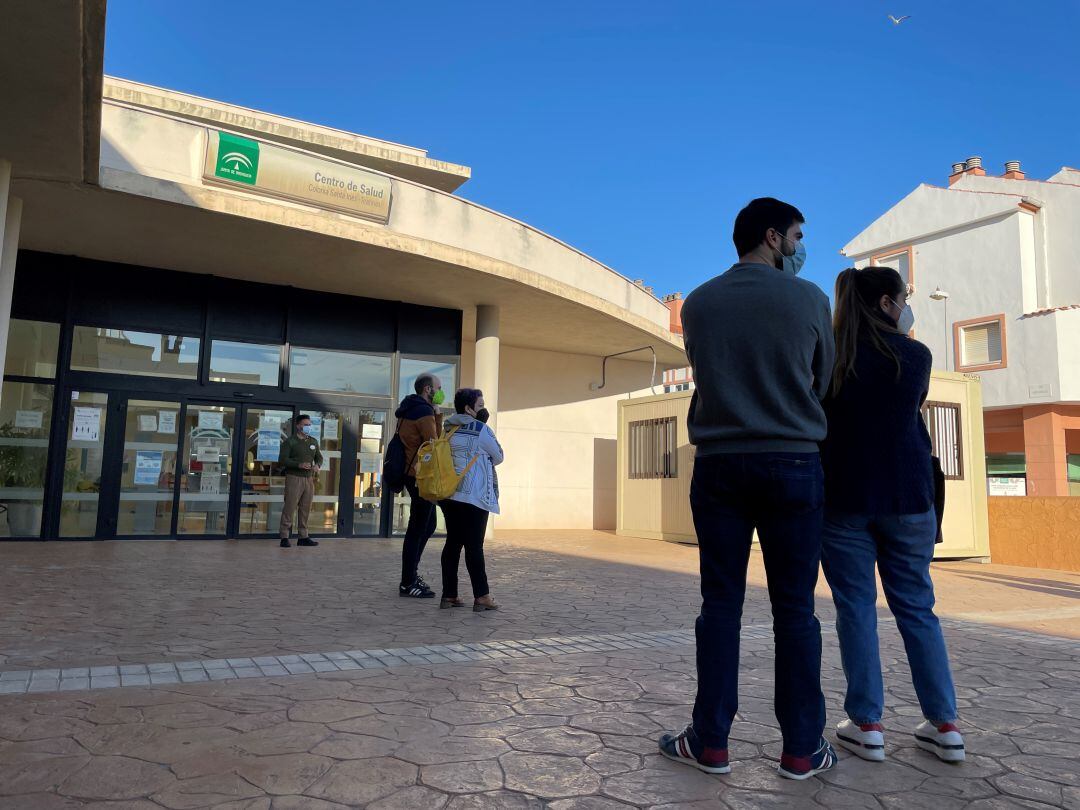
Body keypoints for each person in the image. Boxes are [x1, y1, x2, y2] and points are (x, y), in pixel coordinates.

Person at [659, 197, 837, 780]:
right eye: (798, 235)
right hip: (793, 462)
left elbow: (707, 371)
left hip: (719, 464)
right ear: (772, 237)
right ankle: (801, 749)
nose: (801, 246)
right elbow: (824, 381)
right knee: (795, 611)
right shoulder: (810, 299)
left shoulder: (701, 303)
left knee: (720, 605)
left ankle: (710, 742)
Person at [820, 266, 964, 763]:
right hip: (908, 496)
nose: (906, 305)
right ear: (886, 303)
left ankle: (868, 724)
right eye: (903, 298)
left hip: (844, 498)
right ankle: (944, 724)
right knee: (917, 609)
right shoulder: (916, 356)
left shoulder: (832, 356)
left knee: (855, 608)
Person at [438, 388, 503, 611]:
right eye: (480, 405)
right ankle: (482, 596)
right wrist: (483, 424)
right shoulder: (481, 429)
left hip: (449, 494)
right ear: (469, 408)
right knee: (474, 546)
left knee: (453, 544)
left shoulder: (447, 428)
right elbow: (499, 456)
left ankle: (449, 595)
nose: (484, 408)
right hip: (474, 496)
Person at [396, 374, 444, 598]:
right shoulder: (423, 411)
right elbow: (435, 442)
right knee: (418, 528)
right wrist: (436, 413)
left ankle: (411, 575)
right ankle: (408, 582)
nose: (441, 391)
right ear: (428, 389)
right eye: (438, 388)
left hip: (409, 472)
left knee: (428, 523)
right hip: (419, 475)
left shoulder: (408, 408)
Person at [278, 414, 322, 548]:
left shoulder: (313, 441)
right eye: (305, 424)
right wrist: (299, 465)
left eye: (309, 425)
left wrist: (317, 466)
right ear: (298, 426)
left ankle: (303, 537)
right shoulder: (290, 441)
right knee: (290, 507)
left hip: (309, 479)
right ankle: (284, 536)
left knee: (305, 508)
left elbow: (319, 457)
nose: (308, 427)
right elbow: (282, 460)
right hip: (294, 478)